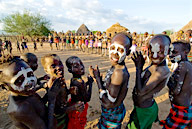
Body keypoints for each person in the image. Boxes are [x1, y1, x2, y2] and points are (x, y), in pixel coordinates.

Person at [126, 34, 171, 129]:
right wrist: (141, 66)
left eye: (159, 52)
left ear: (168, 51)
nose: (154, 56)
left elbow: (141, 92)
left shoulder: (162, 71)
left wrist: (138, 68)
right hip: (141, 108)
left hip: (145, 110)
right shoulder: (154, 65)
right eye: (151, 52)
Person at [0, 55, 57, 129]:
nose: (29, 82)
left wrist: (49, 91)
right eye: (19, 80)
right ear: (5, 86)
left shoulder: (26, 93)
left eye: (30, 75)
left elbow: (39, 107)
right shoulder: (20, 109)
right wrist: (52, 101)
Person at [89, 33, 132, 129]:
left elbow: (108, 103)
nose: (114, 53)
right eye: (113, 48)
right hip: (114, 111)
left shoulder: (118, 72)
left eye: (120, 49)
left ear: (128, 52)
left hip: (112, 114)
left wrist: (98, 81)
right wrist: (98, 79)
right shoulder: (116, 66)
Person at [41, 54, 85, 129]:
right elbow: (56, 110)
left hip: (64, 114)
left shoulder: (60, 80)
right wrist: (74, 107)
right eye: (53, 66)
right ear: (46, 70)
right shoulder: (52, 85)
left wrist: (68, 91)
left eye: (60, 64)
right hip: (57, 120)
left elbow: (61, 95)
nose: (58, 67)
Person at [160, 40, 192, 129]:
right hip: (185, 108)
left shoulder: (183, 66)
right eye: (170, 52)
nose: (171, 55)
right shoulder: (188, 65)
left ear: (185, 52)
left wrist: (167, 81)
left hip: (181, 110)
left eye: (175, 52)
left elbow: (176, 91)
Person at [66, 56, 94, 129]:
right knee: (78, 124)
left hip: (74, 103)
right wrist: (90, 84)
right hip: (79, 108)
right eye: (76, 66)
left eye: (81, 64)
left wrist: (87, 83)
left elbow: (82, 88)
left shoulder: (74, 79)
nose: (81, 67)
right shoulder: (79, 82)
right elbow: (87, 98)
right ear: (70, 70)